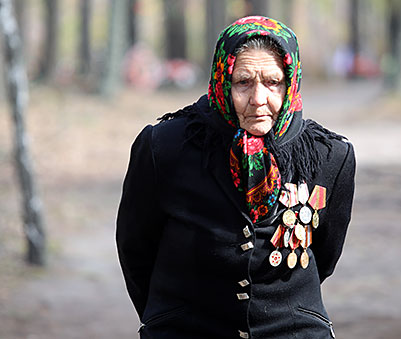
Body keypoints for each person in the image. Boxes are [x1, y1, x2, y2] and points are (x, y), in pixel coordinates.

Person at [116, 16, 355, 339]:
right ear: (222, 80)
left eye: (273, 82)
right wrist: (167, 316)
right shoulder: (165, 147)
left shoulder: (329, 156)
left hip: (291, 330)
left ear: (291, 82)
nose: (258, 99)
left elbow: (325, 254)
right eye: (243, 82)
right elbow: (136, 248)